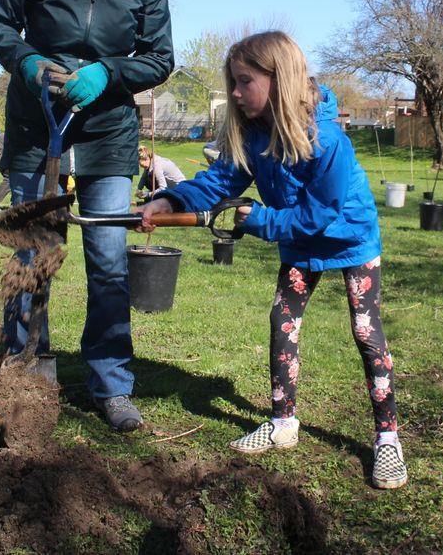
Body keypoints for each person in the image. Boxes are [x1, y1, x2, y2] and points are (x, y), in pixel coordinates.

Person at [138, 31, 406, 489]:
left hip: (349, 240)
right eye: (234, 83)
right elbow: (219, 180)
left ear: (278, 79)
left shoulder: (327, 141)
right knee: (282, 320)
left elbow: (319, 215)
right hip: (301, 241)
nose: (236, 94)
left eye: (244, 82)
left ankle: (387, 439)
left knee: (365, 331)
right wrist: (171, 199)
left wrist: (257, 220)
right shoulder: (255, 132)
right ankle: (283, 422)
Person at [0, 0, 174, 432]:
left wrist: (109, 72)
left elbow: (161, 58)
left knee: (109, 260)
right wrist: (29, 62)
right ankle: (21, 369)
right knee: (30, 252)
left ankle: (112, 385)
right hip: (40, 125)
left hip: (109, 131)